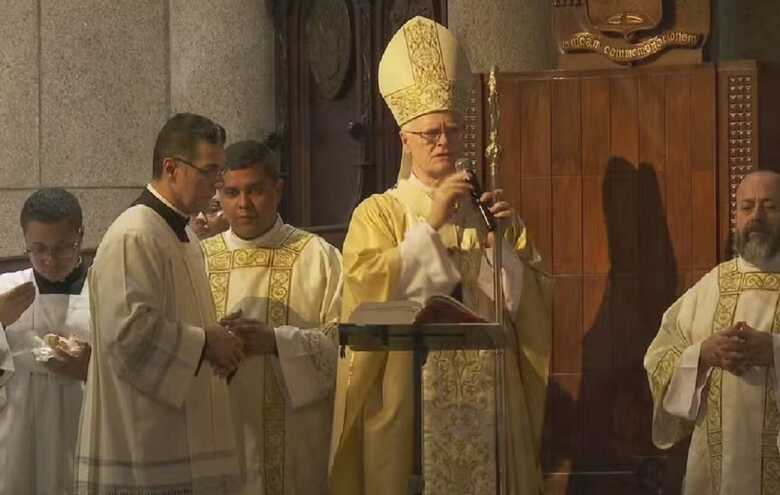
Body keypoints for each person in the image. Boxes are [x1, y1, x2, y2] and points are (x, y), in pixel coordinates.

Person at [328, 16, 552, 495]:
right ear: (405, 138)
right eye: (430, 133)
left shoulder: (490, 212)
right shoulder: (378, 214)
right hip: (410, 397)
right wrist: (430, 223)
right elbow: (368, 299)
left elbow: (527, 310)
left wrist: (501, 249)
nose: (444, 142)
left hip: (488, 399)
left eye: (452, 129)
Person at [74, 113, 245, 495]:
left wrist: (216, 337)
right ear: (171, 168)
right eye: (210, 172)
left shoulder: (181, 231)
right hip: (143, 445)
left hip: (180, 434)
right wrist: (204, 342)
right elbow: (128, 334)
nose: (218, 188)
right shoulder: (134, 234)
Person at [202, 139, 342, 494]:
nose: (243, 204)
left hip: (297, 442)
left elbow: (346, 347)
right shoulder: (197, 260)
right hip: (219, 433)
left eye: (255, 191)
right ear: (217, 194)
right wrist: (211, 342)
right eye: (231, 193)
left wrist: (277, 342)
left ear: (278, 189)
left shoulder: (318, 257)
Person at [646, 170, 780, 494]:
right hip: (715, 474)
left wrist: (775, 351)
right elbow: (658, 358)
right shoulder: (711, 287)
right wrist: (702, 356)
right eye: (747, 207)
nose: (756, 217)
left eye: (770, 206)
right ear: (735, 218)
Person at [0, 188, 91, 494]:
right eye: (38, 249)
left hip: (80, 430)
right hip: (17, 437)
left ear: (80, 235)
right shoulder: (6, 289)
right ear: (24, 240)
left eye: (62, 248)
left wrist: (93, 369)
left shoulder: (104, 290)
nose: (49, 261)